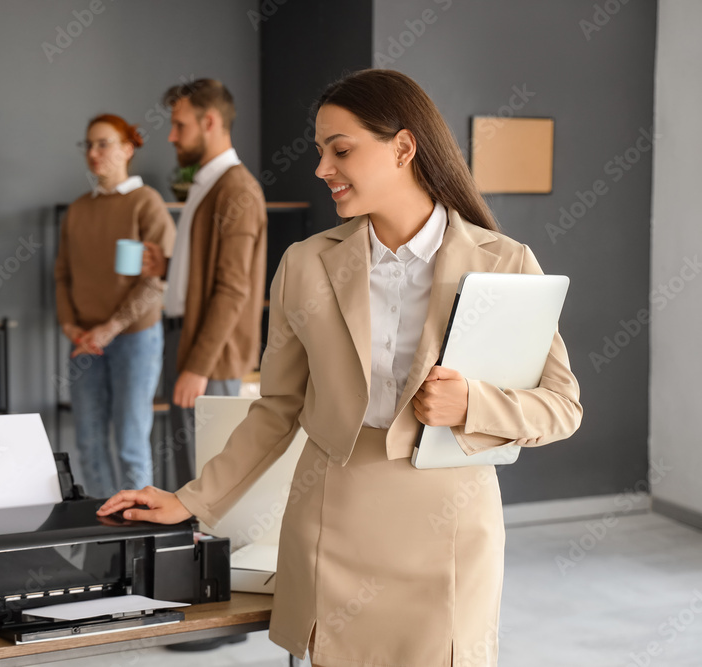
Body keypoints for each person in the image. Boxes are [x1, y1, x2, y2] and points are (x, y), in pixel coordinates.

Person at [98, 69, 582, 666]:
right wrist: (192, 501)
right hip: (334, 528)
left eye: (342, 150)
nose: (323, 168)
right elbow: (277, 409)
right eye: (320, 151)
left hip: (449, 535)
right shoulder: (305, 265)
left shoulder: (504, 263)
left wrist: (473, 406)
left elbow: (562, 407)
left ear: (403, 148)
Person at [140, 78, 267, 488]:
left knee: (208, 484)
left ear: (210, 121)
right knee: (191, 480)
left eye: (180, 126)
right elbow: (212, 270)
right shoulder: (208, 183)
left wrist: (198, 365)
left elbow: (234, 289)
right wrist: (169, 266)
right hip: (190, 343)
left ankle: (215, 555)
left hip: (208, 356)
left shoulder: (236, 189)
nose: (172, 136)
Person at [55, 114, 176, 499]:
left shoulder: (147, 203)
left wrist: (112, 327)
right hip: (84, 342)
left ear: (127, 149)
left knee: (130, 444)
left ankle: (138, 541)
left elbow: (156, 280)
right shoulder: (77, 211)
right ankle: (104, 536)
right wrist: (71, 327)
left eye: (103, 143)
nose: (93, 153)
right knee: (89, 445)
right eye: (88, 145)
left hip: (134, 339)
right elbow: (62, 276)